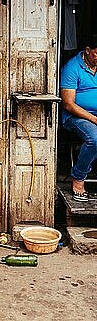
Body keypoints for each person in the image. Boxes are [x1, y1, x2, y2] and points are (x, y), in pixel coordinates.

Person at [60, 35, 97, 201]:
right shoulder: (72, 67)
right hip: (76, 116)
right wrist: (94, 119)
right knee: (95, 138)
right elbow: (68, 104)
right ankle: (79, 178)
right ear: (88, 51)